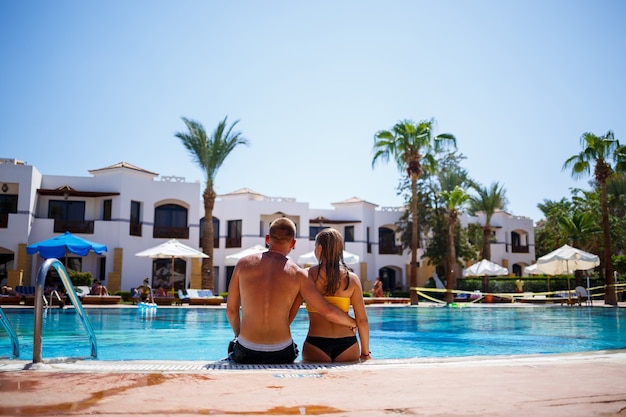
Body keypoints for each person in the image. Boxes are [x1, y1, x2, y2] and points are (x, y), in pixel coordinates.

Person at [226, 218, 356, 364]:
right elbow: (327, 311)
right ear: (293, 243)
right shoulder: (299, 273)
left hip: (246, 350)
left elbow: (231, 311)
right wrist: (352, 322)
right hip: (281, 352)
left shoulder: (243, 264)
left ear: (267, 239)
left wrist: (240, 337)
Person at [296, 228, 371, 363]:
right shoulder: (351, 279)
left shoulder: (307, 276)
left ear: (319, 248)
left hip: (316, 343)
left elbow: (291, 310)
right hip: (348, 344)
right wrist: (365, 353)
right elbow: (363, 321)